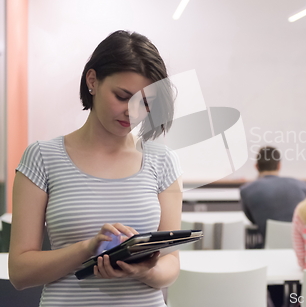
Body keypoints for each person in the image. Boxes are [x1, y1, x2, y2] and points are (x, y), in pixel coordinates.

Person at [8, 31, 183, 307]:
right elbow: (19, 272)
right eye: (123, 96)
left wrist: (146, 268)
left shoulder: (163, 161)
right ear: (93, 81)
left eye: (145, 103)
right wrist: (90, 248)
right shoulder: (42, 157)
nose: (132, 112)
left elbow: (171, 262)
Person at [240, 146, 306, 239]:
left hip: (268, 246)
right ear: (279, 165)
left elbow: (253, 221)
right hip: (298, 243)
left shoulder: (247, 190)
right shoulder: (301, 186)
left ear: (256, 166)